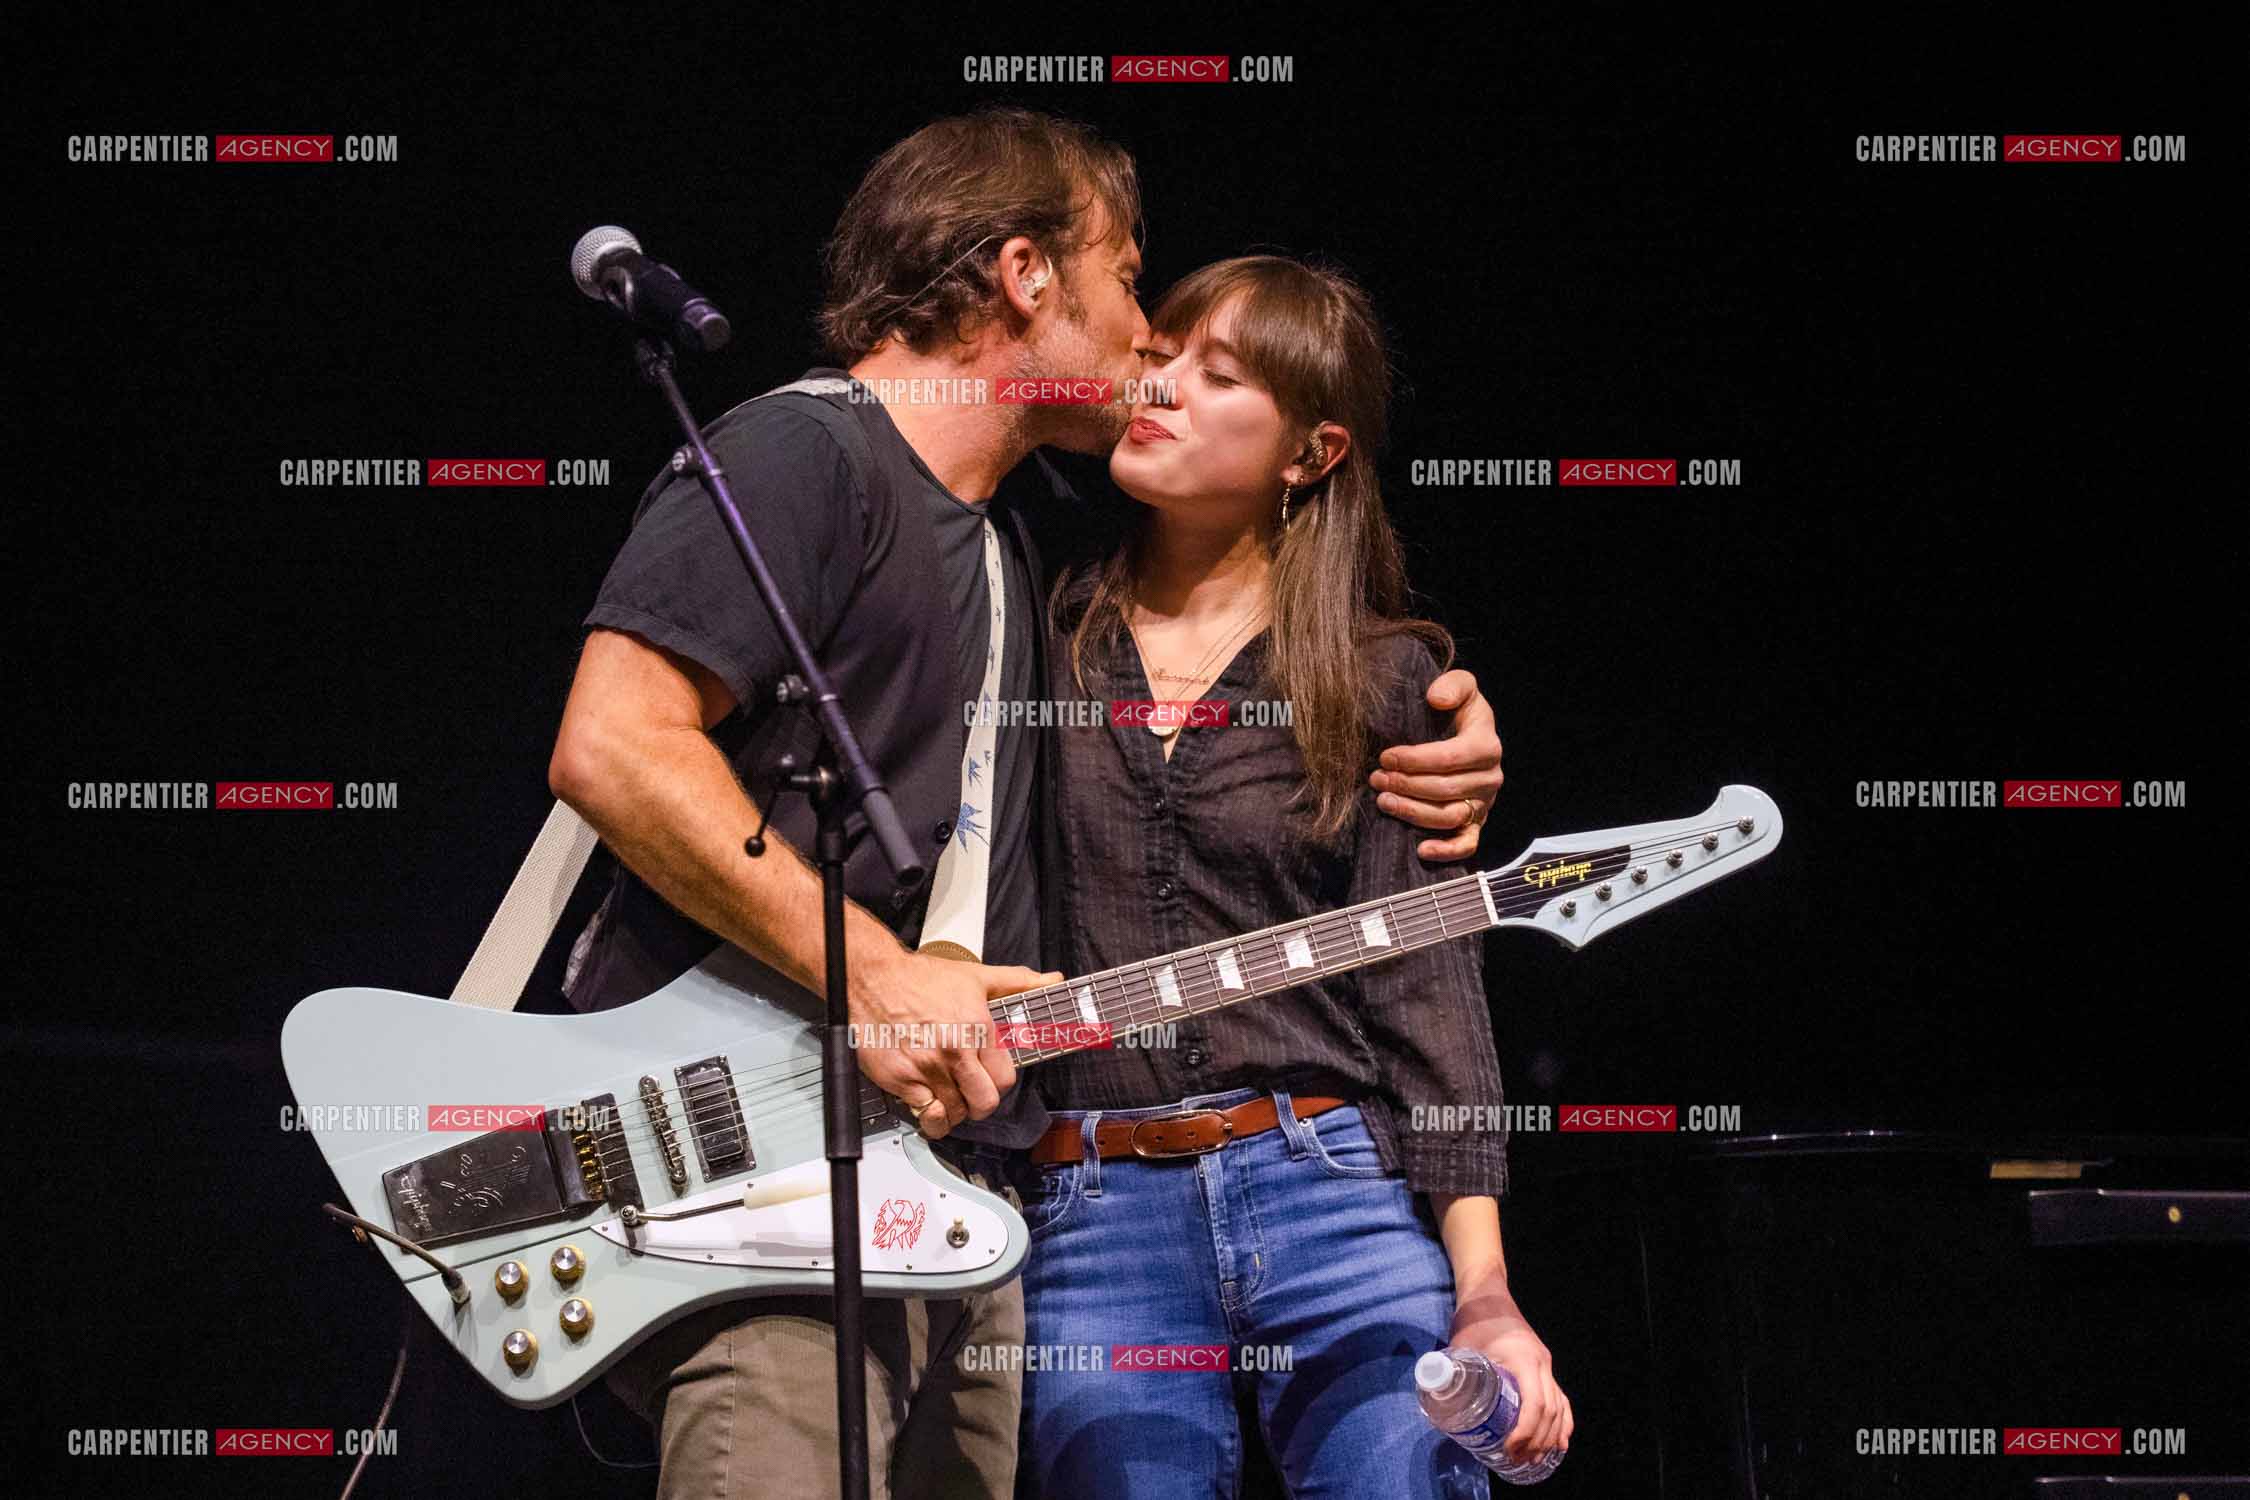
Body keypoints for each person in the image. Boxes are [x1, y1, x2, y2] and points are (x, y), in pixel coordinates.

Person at [546, 111, 1507, 1499]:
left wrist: (1447, 731)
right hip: (787, 1188)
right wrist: (874, 975)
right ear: (1024, 275)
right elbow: (613, 745)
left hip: (965, 1206)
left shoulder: (1007, 564)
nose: (1143, 345)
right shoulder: (813, 460)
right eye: (1130, 285)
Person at [1010, 256, 1570, 1499]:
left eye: (1220, 378)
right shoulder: (1036, 626)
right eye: (1160, 357)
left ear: (1310, 455)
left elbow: (1429, 993)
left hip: (1335, 1192)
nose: (1159, 389)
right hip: (1092, 1205)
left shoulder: (1378, 679)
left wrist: (1486, 1291)